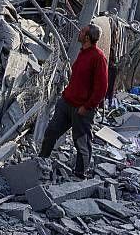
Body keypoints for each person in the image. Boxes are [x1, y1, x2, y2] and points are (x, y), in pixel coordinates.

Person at [39, 24, 109, 178]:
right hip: (66, 103)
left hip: (82, 108)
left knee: (81, 143)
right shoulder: (82, 52)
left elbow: (102, 88)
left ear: (88, 37)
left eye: (82, 31)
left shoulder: (98, 57)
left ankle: (79, 174)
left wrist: (87, 106)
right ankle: (41, 161)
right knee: (51, 132)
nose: (79, 32)